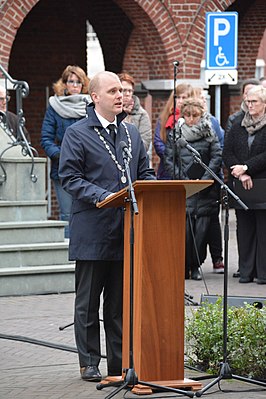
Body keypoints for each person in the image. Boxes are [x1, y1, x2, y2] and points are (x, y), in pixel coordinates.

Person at [58, 71, 156, 382]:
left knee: (118, 304)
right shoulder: (77, 133)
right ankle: (89, 362)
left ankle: (119, 364)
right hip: (92, 229)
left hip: (125, 231)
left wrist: (156, 193)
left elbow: (145, 172)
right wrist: (104, 196)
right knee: (88, 303)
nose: (121, 96)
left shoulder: (129, 133)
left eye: (123, 91)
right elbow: (70, 178)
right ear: (95, 97)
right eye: (113, 91)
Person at [164, 98, 222, 280]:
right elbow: (168, 159)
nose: (190, 119)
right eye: (187, 115)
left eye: (194, 116)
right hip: (185, 189)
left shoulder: (209, 133)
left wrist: (204, 180)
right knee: (185, 232)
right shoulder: (176, 134)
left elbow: (216, 156)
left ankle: (196, 265)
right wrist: (183, 179)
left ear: (201, 115)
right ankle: (184, 266)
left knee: (201, 233)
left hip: (205, 191)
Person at [223, 85, 266, 285]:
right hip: (242, 185)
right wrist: (239, 173)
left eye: (254, 101)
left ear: (264, 104)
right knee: (244, 230)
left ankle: (263, 273)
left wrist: (247, 167)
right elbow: (227, 152)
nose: (249, 105)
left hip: (262, 185)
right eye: (247, 101)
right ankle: (246, 271)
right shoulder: (238, 124)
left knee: (263, 230)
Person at [40, 65, 90, 238]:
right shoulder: (55, 106)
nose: (74, 85)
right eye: (71, 81)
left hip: (88, 167)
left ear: (84, 85)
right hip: (62, 168)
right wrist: (62, 155)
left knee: (87, 213)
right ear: (65, 84)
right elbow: (46, 139)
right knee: (67, 214)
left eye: (78, 82)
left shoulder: (91, 107)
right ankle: (70, 258)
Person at [193, 87, 225, 274]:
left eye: (203, 101)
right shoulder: (180, 127)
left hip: (210, 181)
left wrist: (206, 178)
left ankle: (216, 257)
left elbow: (219, 149)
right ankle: (193, 262)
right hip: (190, 181)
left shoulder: (212, 123)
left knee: (211, 222)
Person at [154, 83, 194, 179]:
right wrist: (172, 157)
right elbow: (158, 142)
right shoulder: (164, 118)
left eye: (184, 97)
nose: (180, 101)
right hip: (167, 170)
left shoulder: (194, 119)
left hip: (189, 169)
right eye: (177, 97)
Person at [117, 72, 152, 156]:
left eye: (130, 91)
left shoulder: (141, 114)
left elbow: (145, 143)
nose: (128, 94)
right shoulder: (110, 112)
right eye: (124, 90)